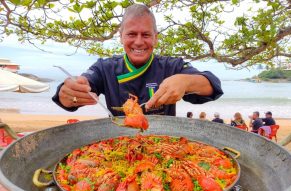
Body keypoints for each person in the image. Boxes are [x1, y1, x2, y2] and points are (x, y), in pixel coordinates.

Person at [52, 4, 223, 117]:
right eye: (132, 34)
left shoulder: (172, 66)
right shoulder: (105, 67)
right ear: (121, 37)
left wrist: (186, 81)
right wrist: (69, 93)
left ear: (155, 38)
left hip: (164, 146)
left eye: (146, 35)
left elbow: (212, 84)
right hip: (120, 145)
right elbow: (82, 85)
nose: (139, 42)